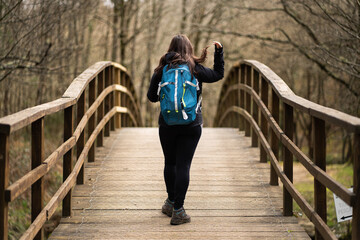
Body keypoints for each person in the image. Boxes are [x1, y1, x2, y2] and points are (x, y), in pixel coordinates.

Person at [147, 34, 224, 225]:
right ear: (189, 48)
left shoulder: (161, 69)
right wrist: (219, 53)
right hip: (191, 124)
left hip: (167, 124)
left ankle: (171, 202)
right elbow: (218, 74)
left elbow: (151, 97)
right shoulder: (195, 68)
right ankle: (178, 211)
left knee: (170, 163)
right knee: (184, 165)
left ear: (170, 48)